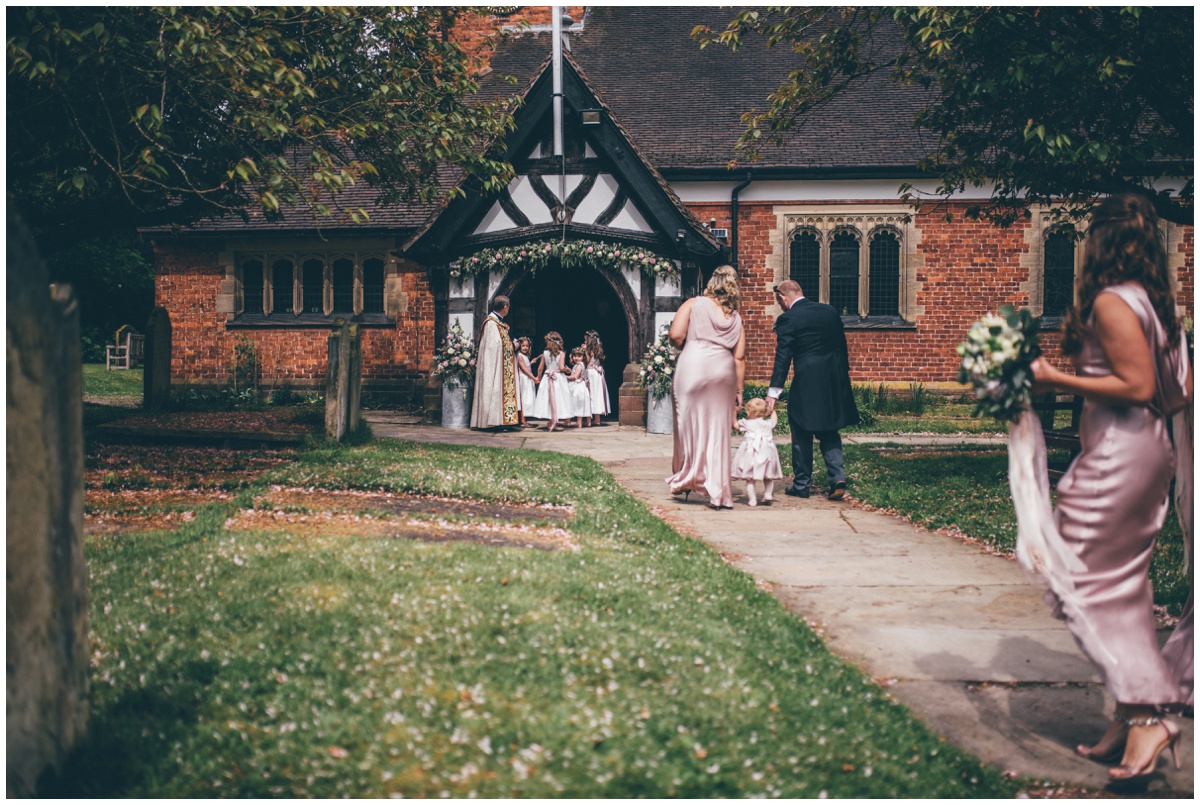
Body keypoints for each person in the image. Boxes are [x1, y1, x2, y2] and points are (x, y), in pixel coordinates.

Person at [1030, 193, 1191, 782]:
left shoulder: (1110, 301)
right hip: (1147, 451)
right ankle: (1130, 718)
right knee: (1116, 584)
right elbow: (1180, 390)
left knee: (1083, 581)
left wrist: (1052, 376)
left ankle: (1149, 714)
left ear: (1099, 240)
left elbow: (1136, 382)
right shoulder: (1155, 304)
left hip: (1121, 457)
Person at [765, 279, 859, 499]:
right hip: (834, 378)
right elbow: (841, 346)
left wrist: (773, 393)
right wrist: (843, 377)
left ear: (782, 298)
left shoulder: (788, 319)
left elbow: (783, 356)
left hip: (807, 379)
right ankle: (838, 478)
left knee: (801, 429)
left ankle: (802, 484)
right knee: (829, 428)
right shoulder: (829, 312)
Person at [665, 265, 745, 510]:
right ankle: (719, 494)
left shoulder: (694, 303)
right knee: (718, 431)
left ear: (712, 282)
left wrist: (693, 344)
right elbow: (739, 358)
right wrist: (738, 393)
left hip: (694, 365)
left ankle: (688, 477)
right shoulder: (736, 318)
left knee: (687, 425)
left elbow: (675, 335)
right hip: (723, 370)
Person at [470, 295, 519, 430]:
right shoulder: (491, 324)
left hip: (500, 365)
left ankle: (500, 420)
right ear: (504, 307)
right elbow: (496, 345)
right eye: (508, 307)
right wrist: (513, 345)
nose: (508, 309)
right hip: (494, 367)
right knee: (494, 389)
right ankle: (492, 421)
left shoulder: (498, 323)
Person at [732, 397, 783, 506]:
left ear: (748, 411)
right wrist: (773, 411)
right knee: (768, 476)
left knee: (750, 478)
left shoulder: (746, 423)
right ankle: (768, 494)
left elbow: (735, 426)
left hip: (751, 454)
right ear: (765, 412)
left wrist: (734, 414)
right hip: (767, 453)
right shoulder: (767, 424)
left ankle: (752, 500)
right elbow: (775, 421)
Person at [530, 331, 569, 432]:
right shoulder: (562, 353)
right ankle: (553, 423)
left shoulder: (545, 353)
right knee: (557, 399)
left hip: (547, 378)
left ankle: (551, 421)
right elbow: (561, 367)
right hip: (558, 378)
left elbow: (540, 368)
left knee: (548, 399)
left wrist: (538, 377)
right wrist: (567, 369)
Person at [584, 330, 610, 426]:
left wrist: (584, 351)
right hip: (598, 374)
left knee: (590, 394)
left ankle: (589, 420)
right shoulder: (599, 349)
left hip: (590, 373)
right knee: (597, 395)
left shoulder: (588, 350)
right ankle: (597, 419)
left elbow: (587, 362)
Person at [515, 337, 539, 428]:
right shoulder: (520, 355)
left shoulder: (525, 356)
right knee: (524, 398)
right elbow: (524, 369)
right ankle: (522, 420)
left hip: (527, 379)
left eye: (527, 346)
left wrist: (531, 363)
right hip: (524, 379)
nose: (525, 348)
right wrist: (534, 378)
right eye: (523, 346)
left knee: (528, 398)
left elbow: (526, 366)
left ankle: (524, 420)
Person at [566, 347, 591, 428]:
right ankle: (575, 421)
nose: (576, 358)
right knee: (576, 403)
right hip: (578, 385)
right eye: (574, 356)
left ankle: (578, 422)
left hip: (578, 386)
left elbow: (575, 377)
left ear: (583, 357)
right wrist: (570, 371)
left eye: (579, 356)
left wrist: (564, 377)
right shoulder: (578, 365)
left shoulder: (580, 365)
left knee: (577, 403)